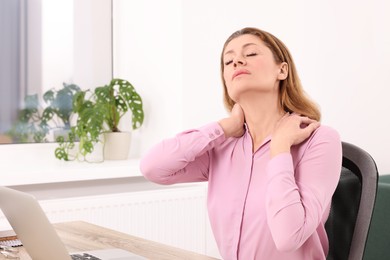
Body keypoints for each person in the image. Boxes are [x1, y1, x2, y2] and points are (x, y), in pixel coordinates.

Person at [140, 27, 342, 260]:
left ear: (282, 70)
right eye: (228, 61)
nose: (236, 61)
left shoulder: (320, 140)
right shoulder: (223, 146)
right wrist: (222, 127)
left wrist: (280, 148)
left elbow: (289, 237)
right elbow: (153, 168)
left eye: (251, 54)